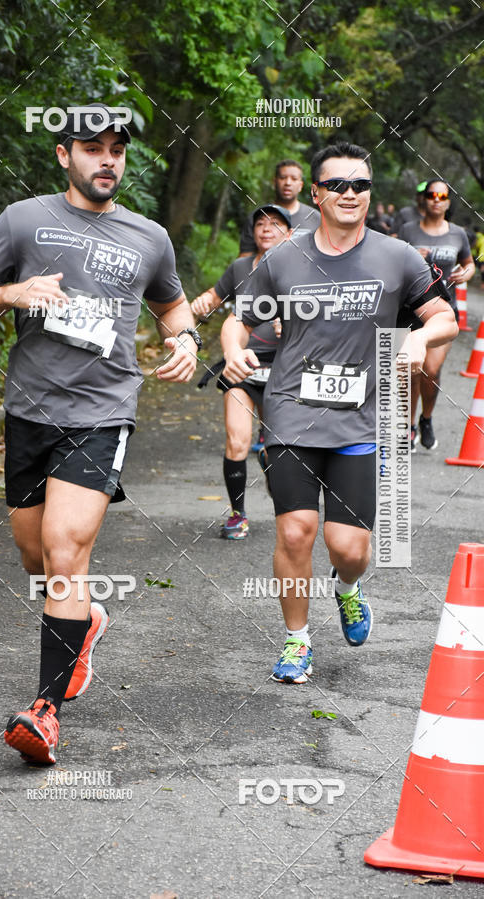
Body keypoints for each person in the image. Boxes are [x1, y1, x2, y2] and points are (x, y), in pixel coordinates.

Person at [0, 105, 199, 764]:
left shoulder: (148, 237)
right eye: (93, 147)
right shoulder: (23, 219)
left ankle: (44, 709)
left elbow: (172, 306)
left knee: (65, 550)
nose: (108, 159)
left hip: (102, 412)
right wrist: (13, 293)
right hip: (31, 410)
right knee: (36, 555)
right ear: (64, 154)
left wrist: (187, 339)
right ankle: (86, 620)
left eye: (117, 148)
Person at [221, 141, 458, 684]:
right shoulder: (285, 257)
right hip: (290, 413)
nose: (350, 194)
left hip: (360, 420)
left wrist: (423, 337)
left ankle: (348, 589)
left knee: (348, 548)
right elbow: (240, 319)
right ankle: (296, 641)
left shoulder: (397, 256)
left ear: (370, 195)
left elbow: (444, 316)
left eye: (361, 185)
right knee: (297, 533)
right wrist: (235, 347)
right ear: (316, 194)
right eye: (338, 185)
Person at [191, 205, 291, 538]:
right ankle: (238, 514)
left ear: (289, 233)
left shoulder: (303, 272)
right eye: (260, 223)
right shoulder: (240, 268)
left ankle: (274, 470)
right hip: (243, 366)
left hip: (285, 370)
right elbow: (214, 297)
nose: (266, 228)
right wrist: (199, 304)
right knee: (236, 441)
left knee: (279, 448)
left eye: (276, 224)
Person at [398, 179, 475, 451]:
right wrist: (409, 255)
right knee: (410, 370)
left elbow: (468, 264)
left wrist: (466, 273)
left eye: (442, 195)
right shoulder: (407, 229)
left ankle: (426, 418)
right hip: (410, 312)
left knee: (430, 370)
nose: (436, 199)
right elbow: (392, 262)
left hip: (442, 311)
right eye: (431, 194)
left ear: (448, 201)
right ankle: (407, 427)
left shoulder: (458, 233)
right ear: (424, 199)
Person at [239, 159, 320, 255]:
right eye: (283, 177)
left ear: (300, 185)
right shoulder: (258, 217)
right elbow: (245, 258)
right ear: (274, 181)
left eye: (294, 179)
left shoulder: (315, 217)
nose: (288, 183)